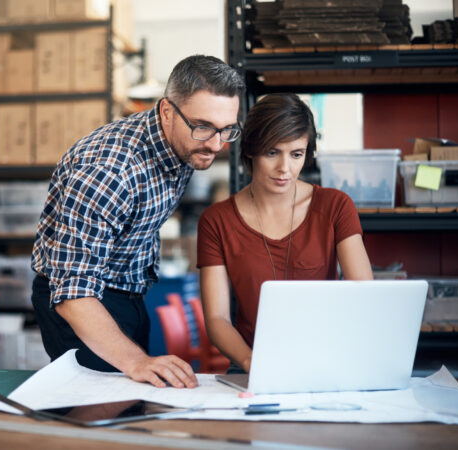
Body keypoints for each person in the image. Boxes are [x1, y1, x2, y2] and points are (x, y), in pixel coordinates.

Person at [31, 55, 245, 388]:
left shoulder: (186, 142)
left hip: (130, 291)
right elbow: (73, 289)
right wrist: (136, 360)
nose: (216, 144)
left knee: (135, 402)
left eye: (226, 129)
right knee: (96, 414)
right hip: (82, 302)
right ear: (166, 112)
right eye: (203, 127)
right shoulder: (110, 171)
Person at [197, 93, 373, 374]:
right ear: (251, 150)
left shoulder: (335, 206)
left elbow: (364, 296)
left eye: (296, 154)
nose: (284, 169)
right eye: (272, 152)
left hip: (327, 361)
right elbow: (217, 318)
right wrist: (249, 361)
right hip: (251, 364)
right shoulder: (216, 221)